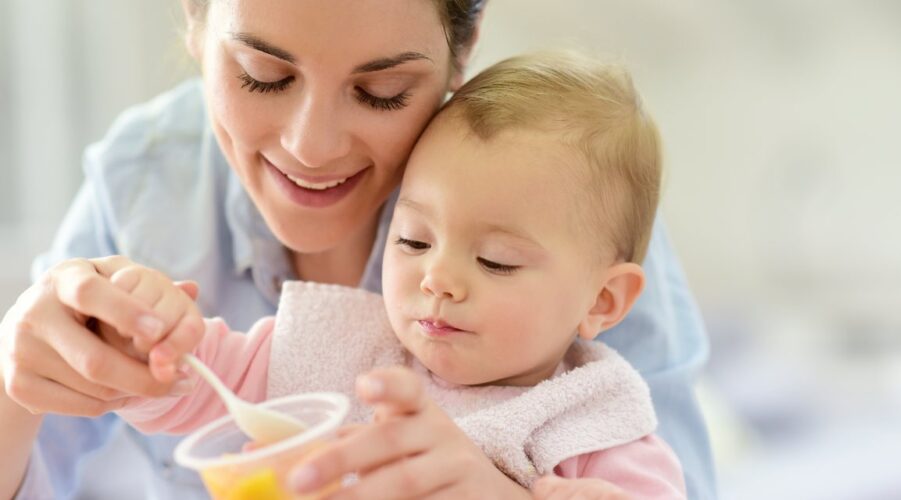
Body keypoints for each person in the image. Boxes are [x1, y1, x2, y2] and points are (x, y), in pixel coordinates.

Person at [0, 1, 715, 499]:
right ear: (194, 15)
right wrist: (128, 349)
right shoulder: (333, 340)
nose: (310, 146)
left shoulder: (557, 204)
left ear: (460, 51)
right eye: (264, 74)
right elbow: (191, 382)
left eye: (382, 90)